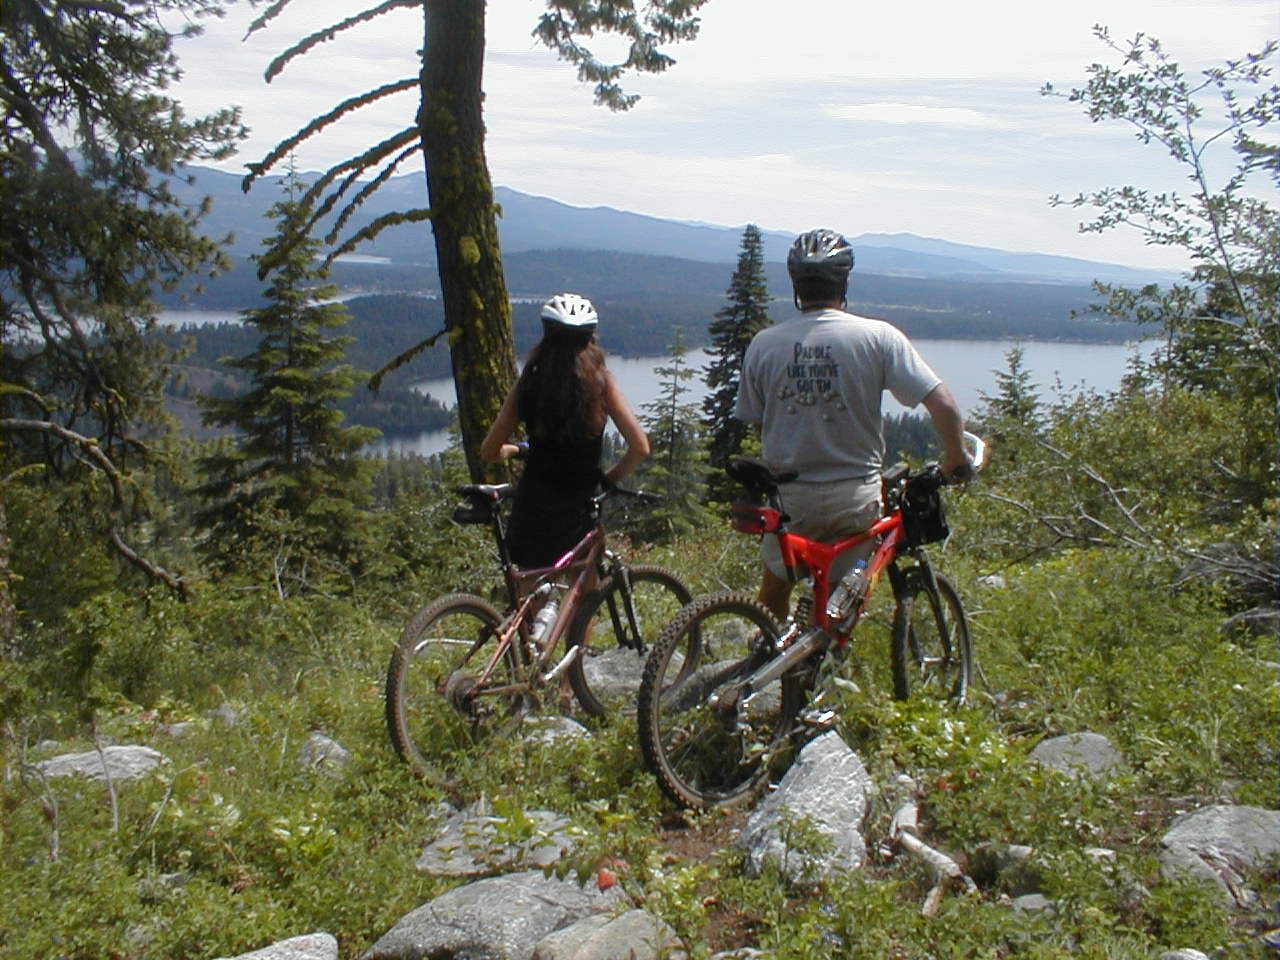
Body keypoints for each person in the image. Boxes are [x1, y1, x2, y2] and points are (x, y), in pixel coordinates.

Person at [734, 228, 970, 621]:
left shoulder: (764, 343)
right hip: (854, 494)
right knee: (842, 601)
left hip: (789, 496)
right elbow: (943, 404)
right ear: (844, 282)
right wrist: (955, 458)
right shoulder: (877, 337)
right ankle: (823, 662)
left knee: (776, 584)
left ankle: (772, 659)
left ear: (796, 286)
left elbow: (759, 422)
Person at [481, 292, 650, 568]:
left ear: (546, 336)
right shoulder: (601, 384)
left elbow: (489, 451)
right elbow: (640, 447)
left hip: (533, 504)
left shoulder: (529, 382)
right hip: (579, 508)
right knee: (582, 599)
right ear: (590, 339)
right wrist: (606, 480)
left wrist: (514, 450)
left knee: (530, 595)